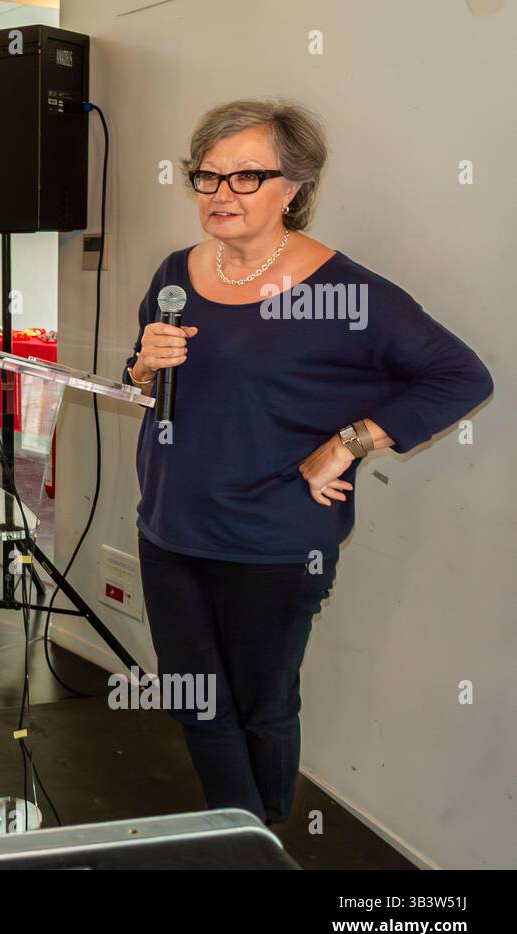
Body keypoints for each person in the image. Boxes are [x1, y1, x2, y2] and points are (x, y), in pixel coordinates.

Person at [123, 99, 493, 826]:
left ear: (294, 187)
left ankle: (260, 847)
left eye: (247, 176)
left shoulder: (343, 292)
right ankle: (241, 843)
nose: (221, 193)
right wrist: (139, 368)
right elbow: (156, 381)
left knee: (260, 709)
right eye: (208, 175)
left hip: (272, 543)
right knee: (195, 701)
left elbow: (461, 376)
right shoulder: (176, 271)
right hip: (169, 527)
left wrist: (350, 442)